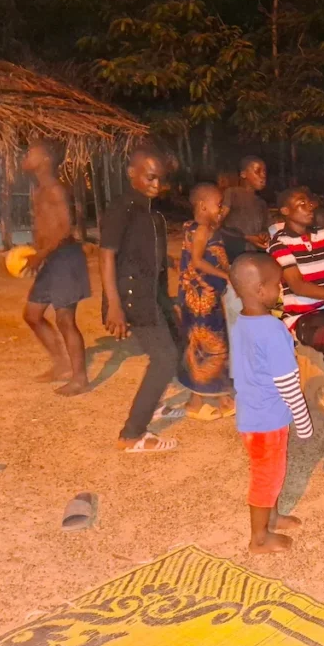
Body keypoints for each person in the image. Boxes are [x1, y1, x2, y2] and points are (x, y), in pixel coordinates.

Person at [229, 253, 313, 553]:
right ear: (261, 289)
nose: (281, 290)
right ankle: (259, 538)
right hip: (267, 420)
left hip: (252, 413)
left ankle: (272, 517)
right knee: (266, 477)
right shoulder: (273, 330)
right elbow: (288, 383)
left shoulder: (242, 322)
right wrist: (304, 423)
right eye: (278, 285)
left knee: (273, 471)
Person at [100, 148, 182, 453]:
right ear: (131, 173)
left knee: (175, 342)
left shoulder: (152, 212)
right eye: (150, 176)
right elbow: (106, 256)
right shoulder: (122, 208)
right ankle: (132, 434)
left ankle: (155, 405)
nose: (156, 184)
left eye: (161, 178)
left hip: (152, 294)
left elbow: (150, 257)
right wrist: (115, 305)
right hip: (132, 297)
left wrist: (165, 297)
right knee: (164, 359)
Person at [268, 187, 324, 428]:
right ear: (286, 211)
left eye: (309, 202)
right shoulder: (279, 243)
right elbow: (297, 286)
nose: (310, 206)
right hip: (302, 315)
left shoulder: (323, 235)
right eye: (301, 203)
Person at [20, 142, 91, 396]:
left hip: (64, 257)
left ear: (46, 159)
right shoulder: (40, 190)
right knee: (32, 315)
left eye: (31, 152)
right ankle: (61, 365)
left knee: (65, 319)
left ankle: (80, 379)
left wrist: (40, 254)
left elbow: (64, 228)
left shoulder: (55, 189)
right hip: (50, 258)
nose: (26, 155)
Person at [177, 184, 234, 421]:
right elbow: (198, 262)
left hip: (200, 298)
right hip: (202, 301)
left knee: (204, 347)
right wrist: (226, 275)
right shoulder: (201, 229)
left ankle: (220, 397)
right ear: (202, 206)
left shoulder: (195, 226)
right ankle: (196, 402)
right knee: (212, 347)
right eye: (218, 205)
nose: (221, 210)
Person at [222, 156, 271, 337]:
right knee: (235, 306)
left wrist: (263, 234)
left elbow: (264, 228)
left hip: (254, 262)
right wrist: (246, 237)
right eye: (257, 170)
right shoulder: (232, 193)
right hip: (234, 259)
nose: (263, 175)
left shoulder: (262, 203)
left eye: (265, 171)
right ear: (243, 174)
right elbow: (219, 225)